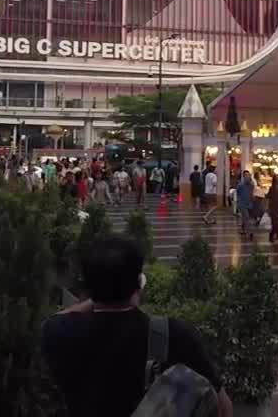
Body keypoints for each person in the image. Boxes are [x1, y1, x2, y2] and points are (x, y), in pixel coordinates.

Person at [41, 236, 234, 417]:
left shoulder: (60, 332)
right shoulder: (174, 334)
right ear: (138, 284)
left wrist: (99, 293)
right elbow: (223, 407)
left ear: (88, 287)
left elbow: (54, 319)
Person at [235, 170, 256, 241]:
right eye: (246, 175)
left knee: (245, 218)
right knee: (247, 217)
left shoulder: (251, 185)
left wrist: (252, 200)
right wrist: (238, 203)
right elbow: (238, 194)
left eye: (249, 175)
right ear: (243, 177)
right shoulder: (240, 185)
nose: (248, 176)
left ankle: (243, 229)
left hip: (249, 204)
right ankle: (250, 232)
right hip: (242, 204)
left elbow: (251, 194)